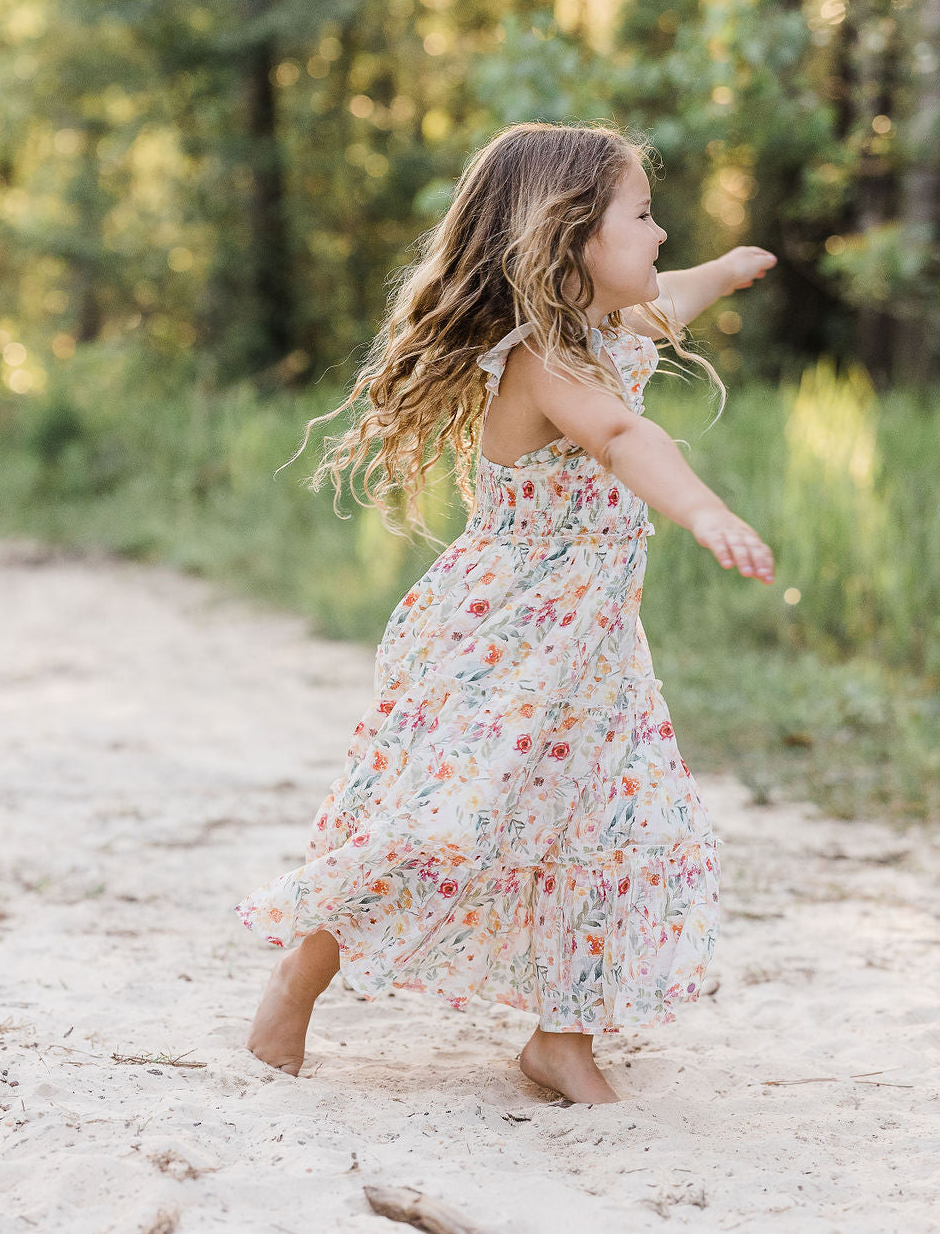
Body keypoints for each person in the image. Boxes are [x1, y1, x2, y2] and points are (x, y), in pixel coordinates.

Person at [234, 121, 776, 1105]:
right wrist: (702, 508)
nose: (660, 235)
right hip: (505, 635)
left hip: (594, 647)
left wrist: (727, 272)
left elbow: (672, 295)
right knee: (442, 822)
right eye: (643, 216)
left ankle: (560, 1039)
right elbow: (620, 434)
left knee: (598, 826)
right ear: (572, 241)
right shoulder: (542, 363)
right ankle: (300, 972)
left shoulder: (610, 331)